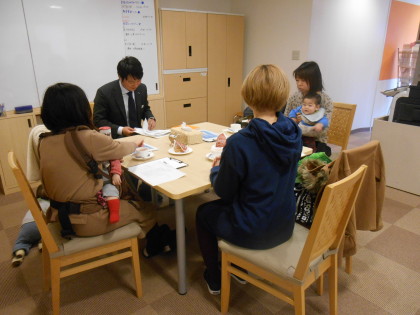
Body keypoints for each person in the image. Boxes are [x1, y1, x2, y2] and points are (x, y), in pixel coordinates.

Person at [195, 64, 303, 295]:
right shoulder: (293, 133)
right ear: (283, 95)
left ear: (248, 96)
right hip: (284, 223)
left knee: (203, 213)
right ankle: (235, 268)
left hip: (254, 229)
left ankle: (214, 277)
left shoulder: (241, 142)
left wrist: (216, 170)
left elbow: (224, 191)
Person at [39, 82, 173, 257]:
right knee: (145, 209)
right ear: (80, 109)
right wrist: (135, 143)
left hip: (58, 214)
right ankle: (155, 245)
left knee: (118, 188)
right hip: (85, 220)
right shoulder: (87, 137)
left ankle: (156, 238)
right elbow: (120, 149)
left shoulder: (44, 141)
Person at [93, 56, 157, 139]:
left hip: (139, 136)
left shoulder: (142, 88)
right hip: (116, 139)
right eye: (131, 82)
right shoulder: (104, 92)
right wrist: (121, 129)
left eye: (138, 81)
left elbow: (145, 109)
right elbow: (99, 121)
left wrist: (150, 118)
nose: (135, 85)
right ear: (120, 77)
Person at [284, 61, 333, 156]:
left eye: (303, 80)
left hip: (316, 142)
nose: (299, 84)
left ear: (314, 80)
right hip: (295, 139)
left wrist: (298, 127)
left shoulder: (325, 100)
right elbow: (286, 119)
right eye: (297, 80)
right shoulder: (294, 97)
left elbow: (322, 131)